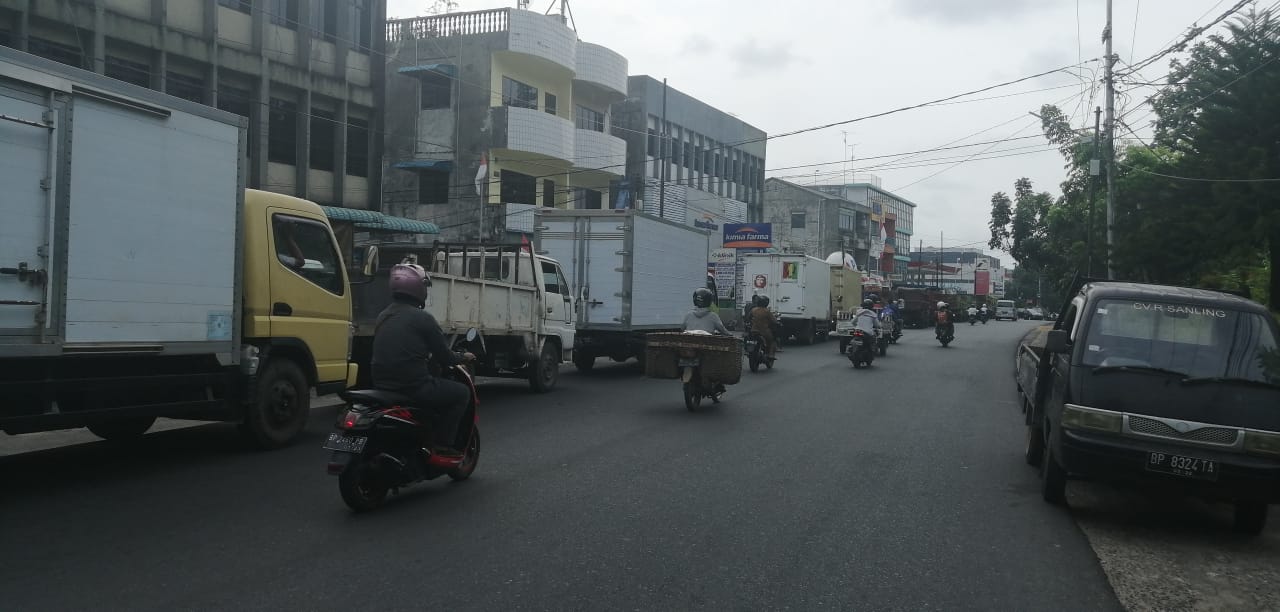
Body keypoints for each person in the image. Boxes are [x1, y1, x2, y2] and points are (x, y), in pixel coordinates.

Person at [370, 263, 474, 457]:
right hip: (412, 387)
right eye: (424, 286)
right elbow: (445, 357)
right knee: (462, 393)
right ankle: (443, 444)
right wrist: (463, 357)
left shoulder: (382, 316)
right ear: (417, 288)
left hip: (381, 385)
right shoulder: (423, 319)